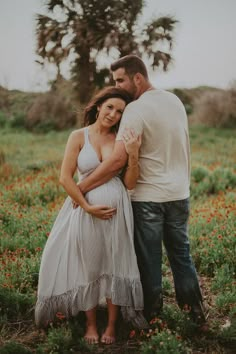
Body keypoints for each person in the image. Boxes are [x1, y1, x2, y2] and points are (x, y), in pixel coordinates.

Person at [78, 55, 206, 325]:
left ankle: (152, 316)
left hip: (148, 197)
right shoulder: (175, 101)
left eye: (120, 80)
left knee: (149, 260)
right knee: (181, 254)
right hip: (179, 193)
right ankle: (195, 313)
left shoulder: (135, 110)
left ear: (138, 78)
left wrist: (82, 186)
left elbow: (116, 161)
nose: (118, 85)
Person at [35, 86, 147, 345]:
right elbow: (64, 177)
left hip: (117, 211)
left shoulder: (120, 139)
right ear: (98, 106)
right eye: (110, 107)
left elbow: (130, 184)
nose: (113, 114)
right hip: (85, 210)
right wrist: (86, 206)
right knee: (89, 265)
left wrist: (133, 154)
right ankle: (91, 324)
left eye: (119, 111)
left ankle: (110, 325)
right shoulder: (78, 136)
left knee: (114, 264)